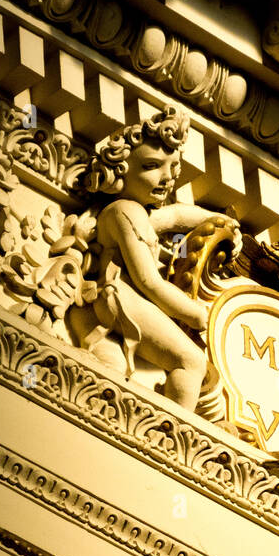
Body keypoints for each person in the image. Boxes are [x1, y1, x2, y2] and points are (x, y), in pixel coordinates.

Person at [68, 107, 238, 411]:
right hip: (120, 296)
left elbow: (176, 215)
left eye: (171, 167)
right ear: (119, 173)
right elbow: (148, 282)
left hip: (126, 295)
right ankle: (178, 434)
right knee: (191, 361)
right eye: (151, 166)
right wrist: (196, 315)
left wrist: (218, 220)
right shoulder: (123, 212)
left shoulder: (139, 212)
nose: (166, 177)